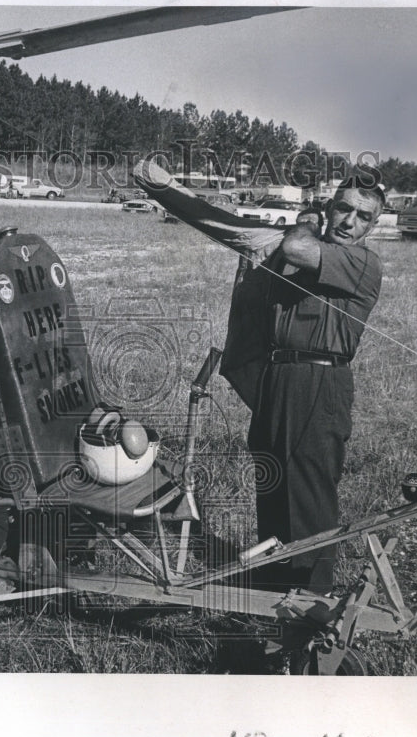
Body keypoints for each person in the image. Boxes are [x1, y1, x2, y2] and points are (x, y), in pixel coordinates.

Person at [134, 160, 384, 594]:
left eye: (363, 217)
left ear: (373, 227)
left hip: (319, 383)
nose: (350, 221)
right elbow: (224, 225)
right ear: (331, 206)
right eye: (344, 209)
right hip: (278, 377)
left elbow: (296, 251)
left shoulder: (361, 262)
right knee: (271, 485)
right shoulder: (295, 242)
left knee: (309, 498)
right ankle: (272, 586)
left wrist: (305, 223)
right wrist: (164, 187)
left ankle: (311, 603)